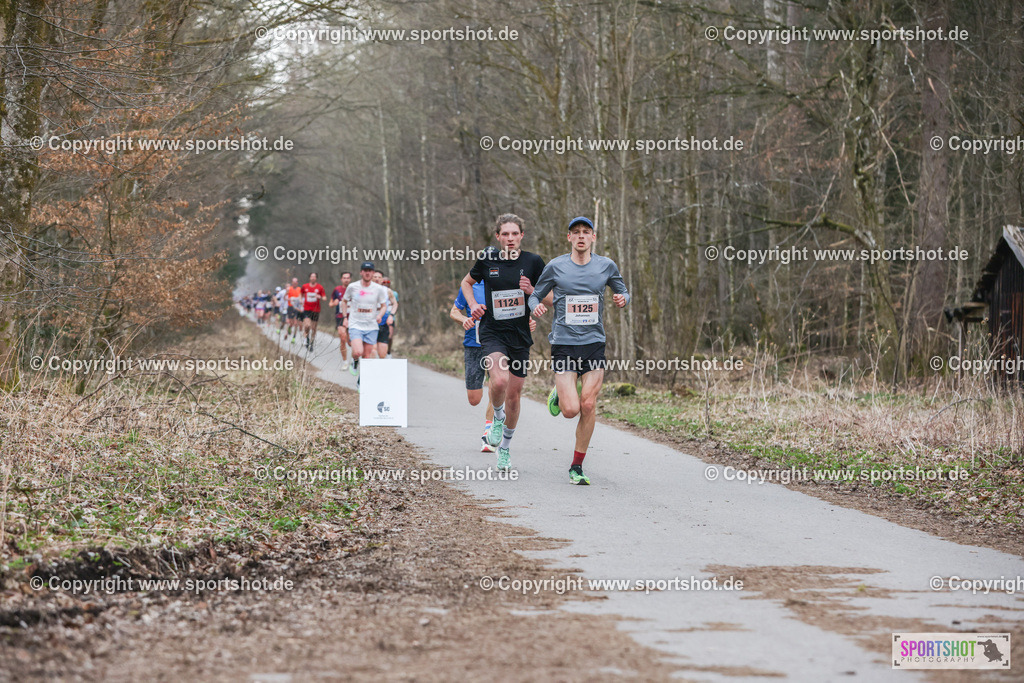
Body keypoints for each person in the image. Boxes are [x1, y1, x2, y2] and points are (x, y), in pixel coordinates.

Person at [529, 216, 630, 485]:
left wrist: (622, 298)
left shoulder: (606, 266)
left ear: (593, 237)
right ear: (569, 238)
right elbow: (534, 295)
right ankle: (561, 395)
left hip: (594, 343)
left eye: (586, 232)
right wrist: (534, 307)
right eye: (577, 232)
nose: (582, 236)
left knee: (588, 404)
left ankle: (576, 466)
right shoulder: (556, 266)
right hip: (564, 343)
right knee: (571, 410)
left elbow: (623, 291)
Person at [460, 213, 546, 471]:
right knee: (498, 380)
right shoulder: (487, 260)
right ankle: (497, 419)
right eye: (505, 234)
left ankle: (505, 449)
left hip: (520, 336)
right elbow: (466, 282)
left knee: (514, 396)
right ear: (497, 236)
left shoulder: (534, 261)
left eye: (514, 234)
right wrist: (473, 304)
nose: (510, 238)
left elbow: (550, 295)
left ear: (522, 236)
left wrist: (534, 293)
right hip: (492, 332)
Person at [451, 280, 496, 453]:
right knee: (474, 399)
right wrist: (464, 319)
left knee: (497, 384)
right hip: (473, 345)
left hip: (497, 345)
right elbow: (454, 311)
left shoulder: (504, 282)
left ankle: (489, 432)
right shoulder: (469, 286)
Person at [342, 261, 389, 378]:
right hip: (356, 324)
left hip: (371, 325)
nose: (367, 273)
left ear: (373, 273)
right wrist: (344, 317)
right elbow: (344, 301)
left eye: (370, 271)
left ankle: (361, 380)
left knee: (367, 356)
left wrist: (380, 315)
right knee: (358, 351)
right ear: (361, 272)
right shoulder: (353, 287)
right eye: (365, 271)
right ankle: (355, 361)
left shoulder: (378, 289)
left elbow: (384, 306)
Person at [372, 270, 399, 360]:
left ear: (382, 279)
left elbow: (395, 304)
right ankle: (367, 371)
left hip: (383, 323)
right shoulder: (365, 290)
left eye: (379, 277)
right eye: (375, 277)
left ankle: (380, 372)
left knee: (382, 354)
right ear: (371, 278)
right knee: (372, 350)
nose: (376, 279)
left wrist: (391, 315)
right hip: (370, 323)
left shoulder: (388, 291)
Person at [330, 272, 353, 368]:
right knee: (342, 338)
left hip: (353, 318)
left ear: (350, 279)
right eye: (344, 278)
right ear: (341, 279)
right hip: (340, 317)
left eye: (348, 278)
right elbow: (330, 303)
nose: (346, 279)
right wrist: (334, 303)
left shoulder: (354, 289)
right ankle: (345, 362)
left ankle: (353, 359)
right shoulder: (337, 290)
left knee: (351, 342)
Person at [300, 272, 327, 351]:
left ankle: (311, 342)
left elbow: (325, 298)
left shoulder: (320, 287)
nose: (313, 278)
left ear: (316, 278)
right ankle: (306, 338)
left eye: (314, 277)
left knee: (314, 328)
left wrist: (320, 296)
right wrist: (301, 300)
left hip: (316, 310)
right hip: (307, 309)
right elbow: (300, 295)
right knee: (307, 325)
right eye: (311, 277)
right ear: (309, 278)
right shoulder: (305, 286)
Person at [286, 277, 303, 343]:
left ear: (297, 283)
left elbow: (301, 297)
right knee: (291, 323)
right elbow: (285, 298)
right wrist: (289, 299)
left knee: (296, 323)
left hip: (297, 308)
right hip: (290, 307)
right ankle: (290, 327)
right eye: (293, 282)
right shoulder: (289, 289)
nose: (295, 283)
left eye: (296, 282)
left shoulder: (299, 289)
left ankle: (294, 337)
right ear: (292, 283)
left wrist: (301, 300)